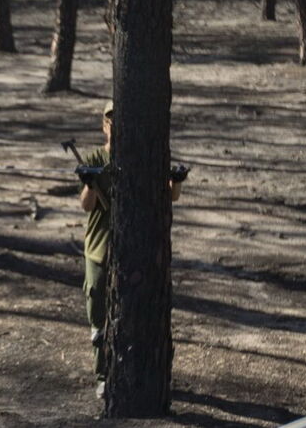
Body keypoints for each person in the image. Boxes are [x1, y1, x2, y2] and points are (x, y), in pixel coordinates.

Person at [78, 100, 183, 399]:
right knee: (98, 312)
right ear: (104, 125)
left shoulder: (142, 157)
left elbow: (168, 195)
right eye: (110, 121)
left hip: (133, 252)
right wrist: (88, 183)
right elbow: (86, 205)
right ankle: (103, 375)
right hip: (99, 248)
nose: (115, 126)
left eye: (119, 120)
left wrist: (176, 181)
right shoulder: (96, 158)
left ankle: (138, 375)